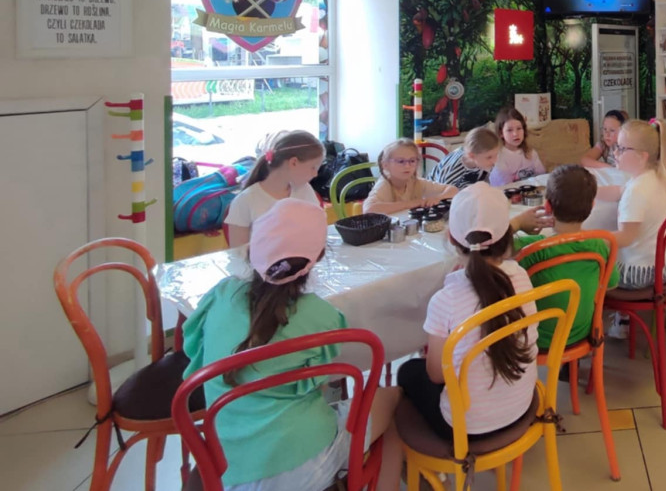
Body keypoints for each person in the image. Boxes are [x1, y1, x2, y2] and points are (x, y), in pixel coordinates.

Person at [182, 199, 403, 491]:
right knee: (393, 398)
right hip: (301, 462)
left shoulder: (220, 295)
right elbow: (323, 383)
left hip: (224, 466)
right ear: (319, 257)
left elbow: (194, 355)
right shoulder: (322, 317)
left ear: (251, 249)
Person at [394, 183, 538, 440]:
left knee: (407, 372)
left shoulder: (446, 300)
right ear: (508, 236)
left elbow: (436, 375)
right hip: (521, 407)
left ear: (451, 238)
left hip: (467, 428)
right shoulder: (521, 276)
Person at [510, 165, 618, 351]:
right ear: (593, 206)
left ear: (547, 206)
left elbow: (490, 246)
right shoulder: (600, 244)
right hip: (583, 333)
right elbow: (611, 284)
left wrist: (517, 222)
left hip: (537, 339)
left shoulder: (532, 248)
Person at [225, 130, 325, 248]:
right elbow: (239, 253)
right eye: (313, 167)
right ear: (293, 162)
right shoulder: (245, 201)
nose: (315, 174)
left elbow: (316, 233)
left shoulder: (305, 190)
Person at [610, 120, 666, 289]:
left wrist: (590, 239)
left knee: (592, 263)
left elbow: (625, 238)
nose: (615, 152)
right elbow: (619, 190)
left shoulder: (636, 191)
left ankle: (607, 306)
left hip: (642, 272)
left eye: (621, 148)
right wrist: (592, 192)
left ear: (642, 157)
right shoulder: (656, 175)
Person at [362, 138, 455, 215]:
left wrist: (438, 198)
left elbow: (453, 190)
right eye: (401, 161)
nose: (407, 166)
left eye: (412, 161)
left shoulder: (415, 182)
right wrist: (413, 203)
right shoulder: (385, 185)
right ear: (385, 165)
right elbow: (369, 209)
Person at [429, 126, 502, 189]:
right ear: (472, 156)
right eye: (489, 157)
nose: (494, 160)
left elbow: (484, 185)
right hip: (437, 194)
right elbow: (442, 192)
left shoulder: (483, 162)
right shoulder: (454, 170)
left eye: (496, 155)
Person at [489, 105, 546, 186]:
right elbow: (507, 187)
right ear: (501, 133)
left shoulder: (531, 152)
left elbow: (542, 177)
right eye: (509, 130)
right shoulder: (499, 157)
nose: (515, 134)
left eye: (519, 128)